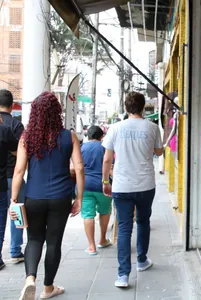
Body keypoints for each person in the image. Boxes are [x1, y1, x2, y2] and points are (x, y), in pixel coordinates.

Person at [9, 92, 84, 300]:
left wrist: (14, 199)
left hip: (34, 197)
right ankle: (48, 288)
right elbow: (79, 167)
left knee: (33, 239)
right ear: (57, 112)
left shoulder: (27, 137)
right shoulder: (69, 136)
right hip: (61, 198)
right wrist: (79, 197)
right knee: (53, 242)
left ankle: (30, 279)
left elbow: (18, 170)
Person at [102, 92, 163, 288]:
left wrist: (105, 181)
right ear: (143, 107)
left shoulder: (116, 128)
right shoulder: (152, 127)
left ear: (126, 108)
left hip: (122, 185)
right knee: (144, 221)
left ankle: (123, 275)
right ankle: (142, 260)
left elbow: (107, 159)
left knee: (124, 227)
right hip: (146, 184)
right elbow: (159, 152)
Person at [74, 125, 112, 255]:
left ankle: (91, 246)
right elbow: (110, 165)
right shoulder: (104, 148)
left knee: (87, 215)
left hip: (84, 186)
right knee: (105, 212)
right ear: (101, 136)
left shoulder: (81, 148)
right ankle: (102, 239)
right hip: (103, 185)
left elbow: (74, 167)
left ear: (88, 136)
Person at [0, 89, 25, 264]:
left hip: (2, 178)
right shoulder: (17, 125)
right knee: (16, 212)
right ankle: (15, 250)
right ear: (11, 105)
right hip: (14, 175)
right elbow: (22, 152)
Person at [0, 114, 18, 270]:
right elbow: (17, 151)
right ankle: (11, 253)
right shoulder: (4, 129)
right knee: (1, 222)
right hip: (3, 181)